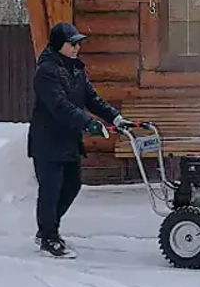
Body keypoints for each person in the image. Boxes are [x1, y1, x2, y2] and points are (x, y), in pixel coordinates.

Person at [28, 22, 132, 257]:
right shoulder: (46, 71)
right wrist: (88, 123)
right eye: (72, 43)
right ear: (59, 45)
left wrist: (115, 118)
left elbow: (92, 98)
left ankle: (47, 229)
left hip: (68, 139)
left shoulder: (76, 68)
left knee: (72, 185)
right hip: (48, 140)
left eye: (78, 43)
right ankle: (49, 238)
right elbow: (59, 106)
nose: (77, 47)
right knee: (51, 190)